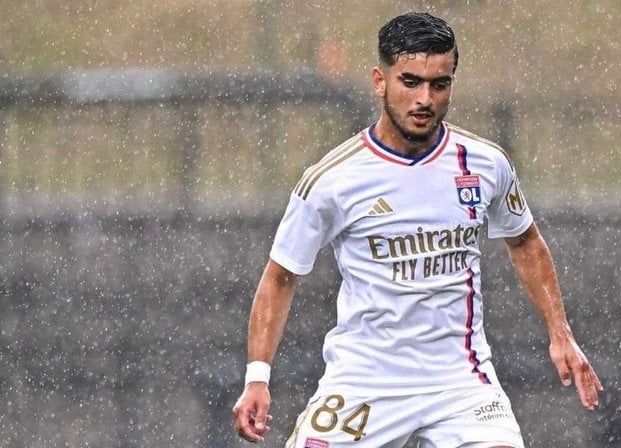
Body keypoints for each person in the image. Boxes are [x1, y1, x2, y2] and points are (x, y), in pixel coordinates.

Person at [232, 11, 602, 447]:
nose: (425, 98)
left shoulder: (484, 163)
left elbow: (525, 241)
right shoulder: (333, 179)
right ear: (379, 81)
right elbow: (280, 276)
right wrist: (258, 376)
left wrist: (561, 333)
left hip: (459, 381)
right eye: (411, 81)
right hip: (367, 380)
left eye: (439, 84)